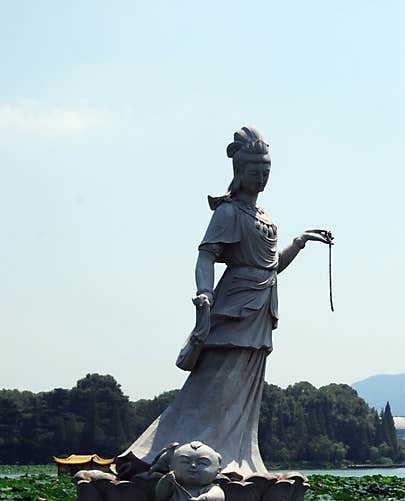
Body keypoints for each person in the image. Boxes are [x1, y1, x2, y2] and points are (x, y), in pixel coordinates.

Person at [116, 126, 331, 478]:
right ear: (239, 172)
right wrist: (205, 292)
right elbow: (206, 255)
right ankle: (174, 454)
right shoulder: (228, 212)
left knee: (245, 388)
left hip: (261, 307)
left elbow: (271, 265)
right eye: (254, 171)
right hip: (232, 306)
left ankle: (235, 457)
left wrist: (299, 241)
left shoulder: (265, 218)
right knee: (215, 385)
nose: (261, 178)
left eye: (266, 172)